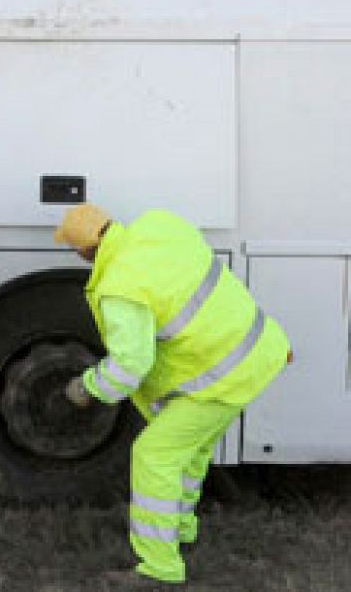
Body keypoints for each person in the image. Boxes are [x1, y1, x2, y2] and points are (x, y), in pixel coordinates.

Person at [55, 204, 291, 588]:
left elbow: (130, 367)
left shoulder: (119, 286)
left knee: (155, 455)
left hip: (223, 376)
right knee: (188, 453)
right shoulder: (160, 227)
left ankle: (158, 567)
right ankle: (179, 531)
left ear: (83, 251)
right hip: (258, 351)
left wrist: (88, 387)